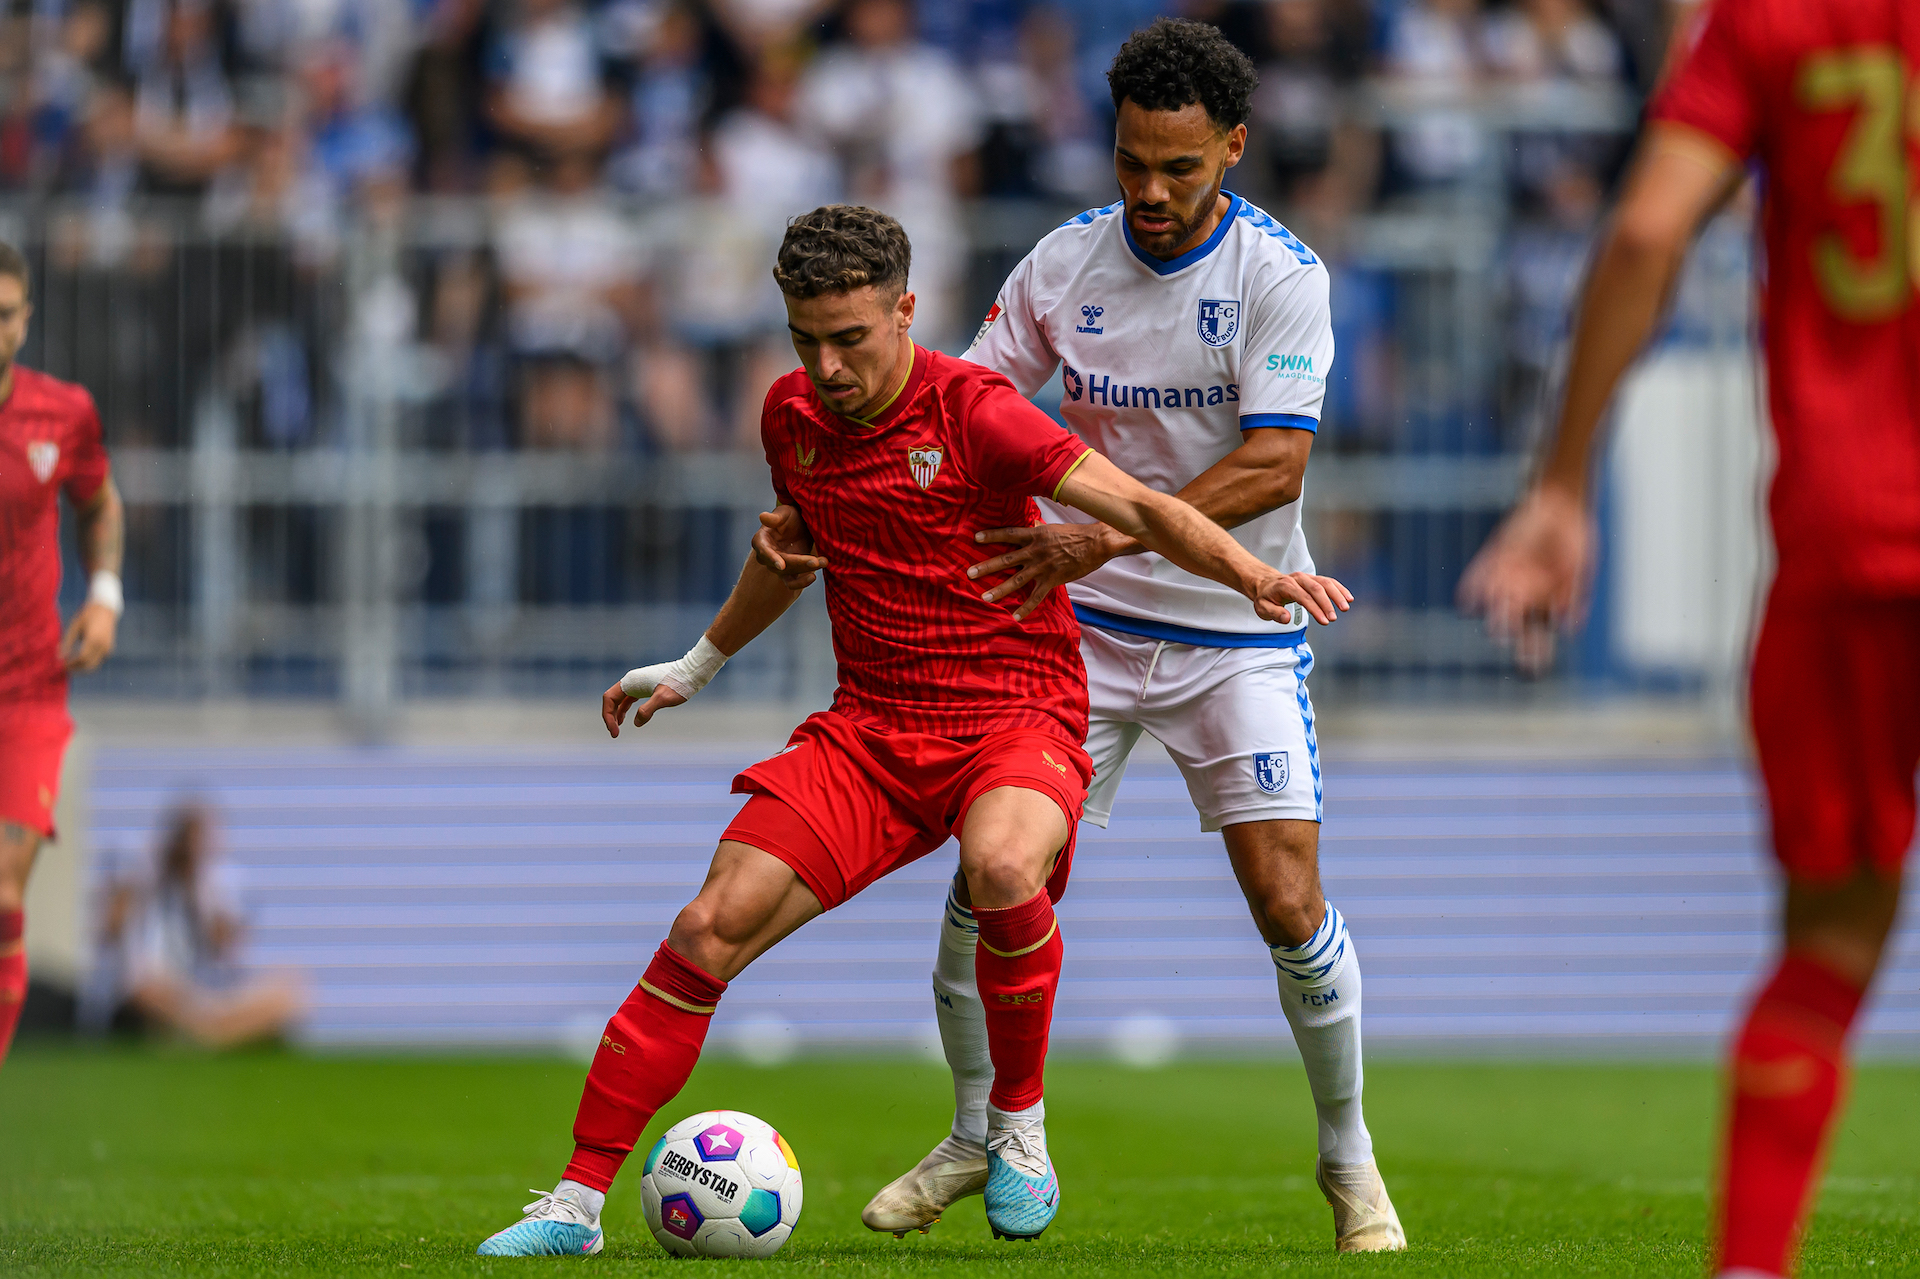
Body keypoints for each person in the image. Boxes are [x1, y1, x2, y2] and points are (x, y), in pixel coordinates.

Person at [475, 203, 1350, 1256]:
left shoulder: (978, 411)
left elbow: (1142, 508)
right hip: (874, 729)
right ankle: (573, 1205)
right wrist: (696, 663)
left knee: (1003, 866)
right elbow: (790, 553)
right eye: (807, 339)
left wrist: (1259, 575)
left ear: (907, 310)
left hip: (1012, 714)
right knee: (709, 925)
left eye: (851, 338)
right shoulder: (790, 416)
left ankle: (1014, 1130)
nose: (829, 366)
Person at [800, 18, 1405, 1253]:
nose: (1152, 190)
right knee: (990, 872)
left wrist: (1103, 535)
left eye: (1181, 167)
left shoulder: (1281, 276)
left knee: (1288, 901)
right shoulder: (1063, 264)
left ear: (1232, 148)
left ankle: (1350, 1159)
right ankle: (981, 1130)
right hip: (1068, 633)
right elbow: (957, 407)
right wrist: (831, 494)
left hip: (1230, 626)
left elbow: (1275, 461)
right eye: (1133, 161)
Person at [1457, 3, 1920, 1276]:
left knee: (1827, 947)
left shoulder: (1777, 19)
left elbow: (1651, 226)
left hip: (1852, 535)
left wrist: (1561, 483)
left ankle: (1751, 1265)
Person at [0, 240, 124, 1066]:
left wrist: (104, 595)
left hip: (27, 692)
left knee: (2, 896)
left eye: (3, 315)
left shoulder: (62, 412)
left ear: (26, 315)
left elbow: (98, 499)